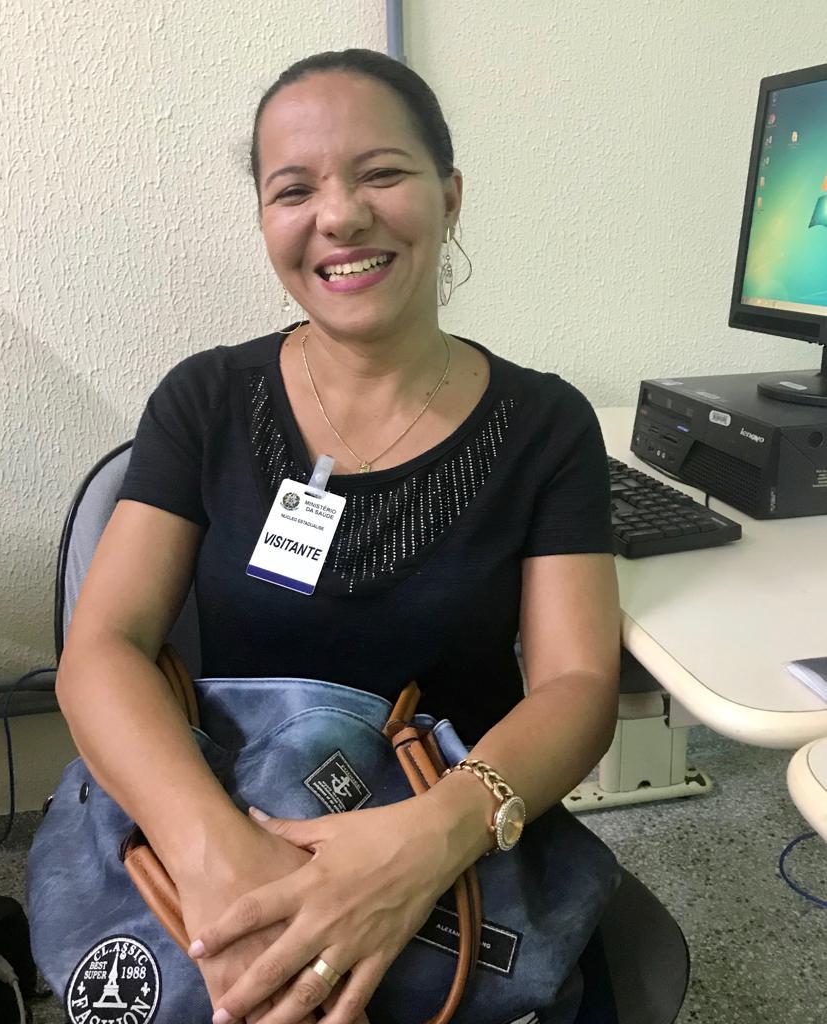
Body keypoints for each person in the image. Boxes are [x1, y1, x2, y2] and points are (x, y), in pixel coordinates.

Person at [56, 48, 621, 1024]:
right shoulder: (206, 401)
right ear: (265, 222)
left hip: (455, 848)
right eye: (294, 189)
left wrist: (426, 842)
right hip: (233, 821)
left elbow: (577, 684)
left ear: (450, 196)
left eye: (381, 173)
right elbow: (103, 644)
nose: (340, 215)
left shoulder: (545, 425)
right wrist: (217, 859)